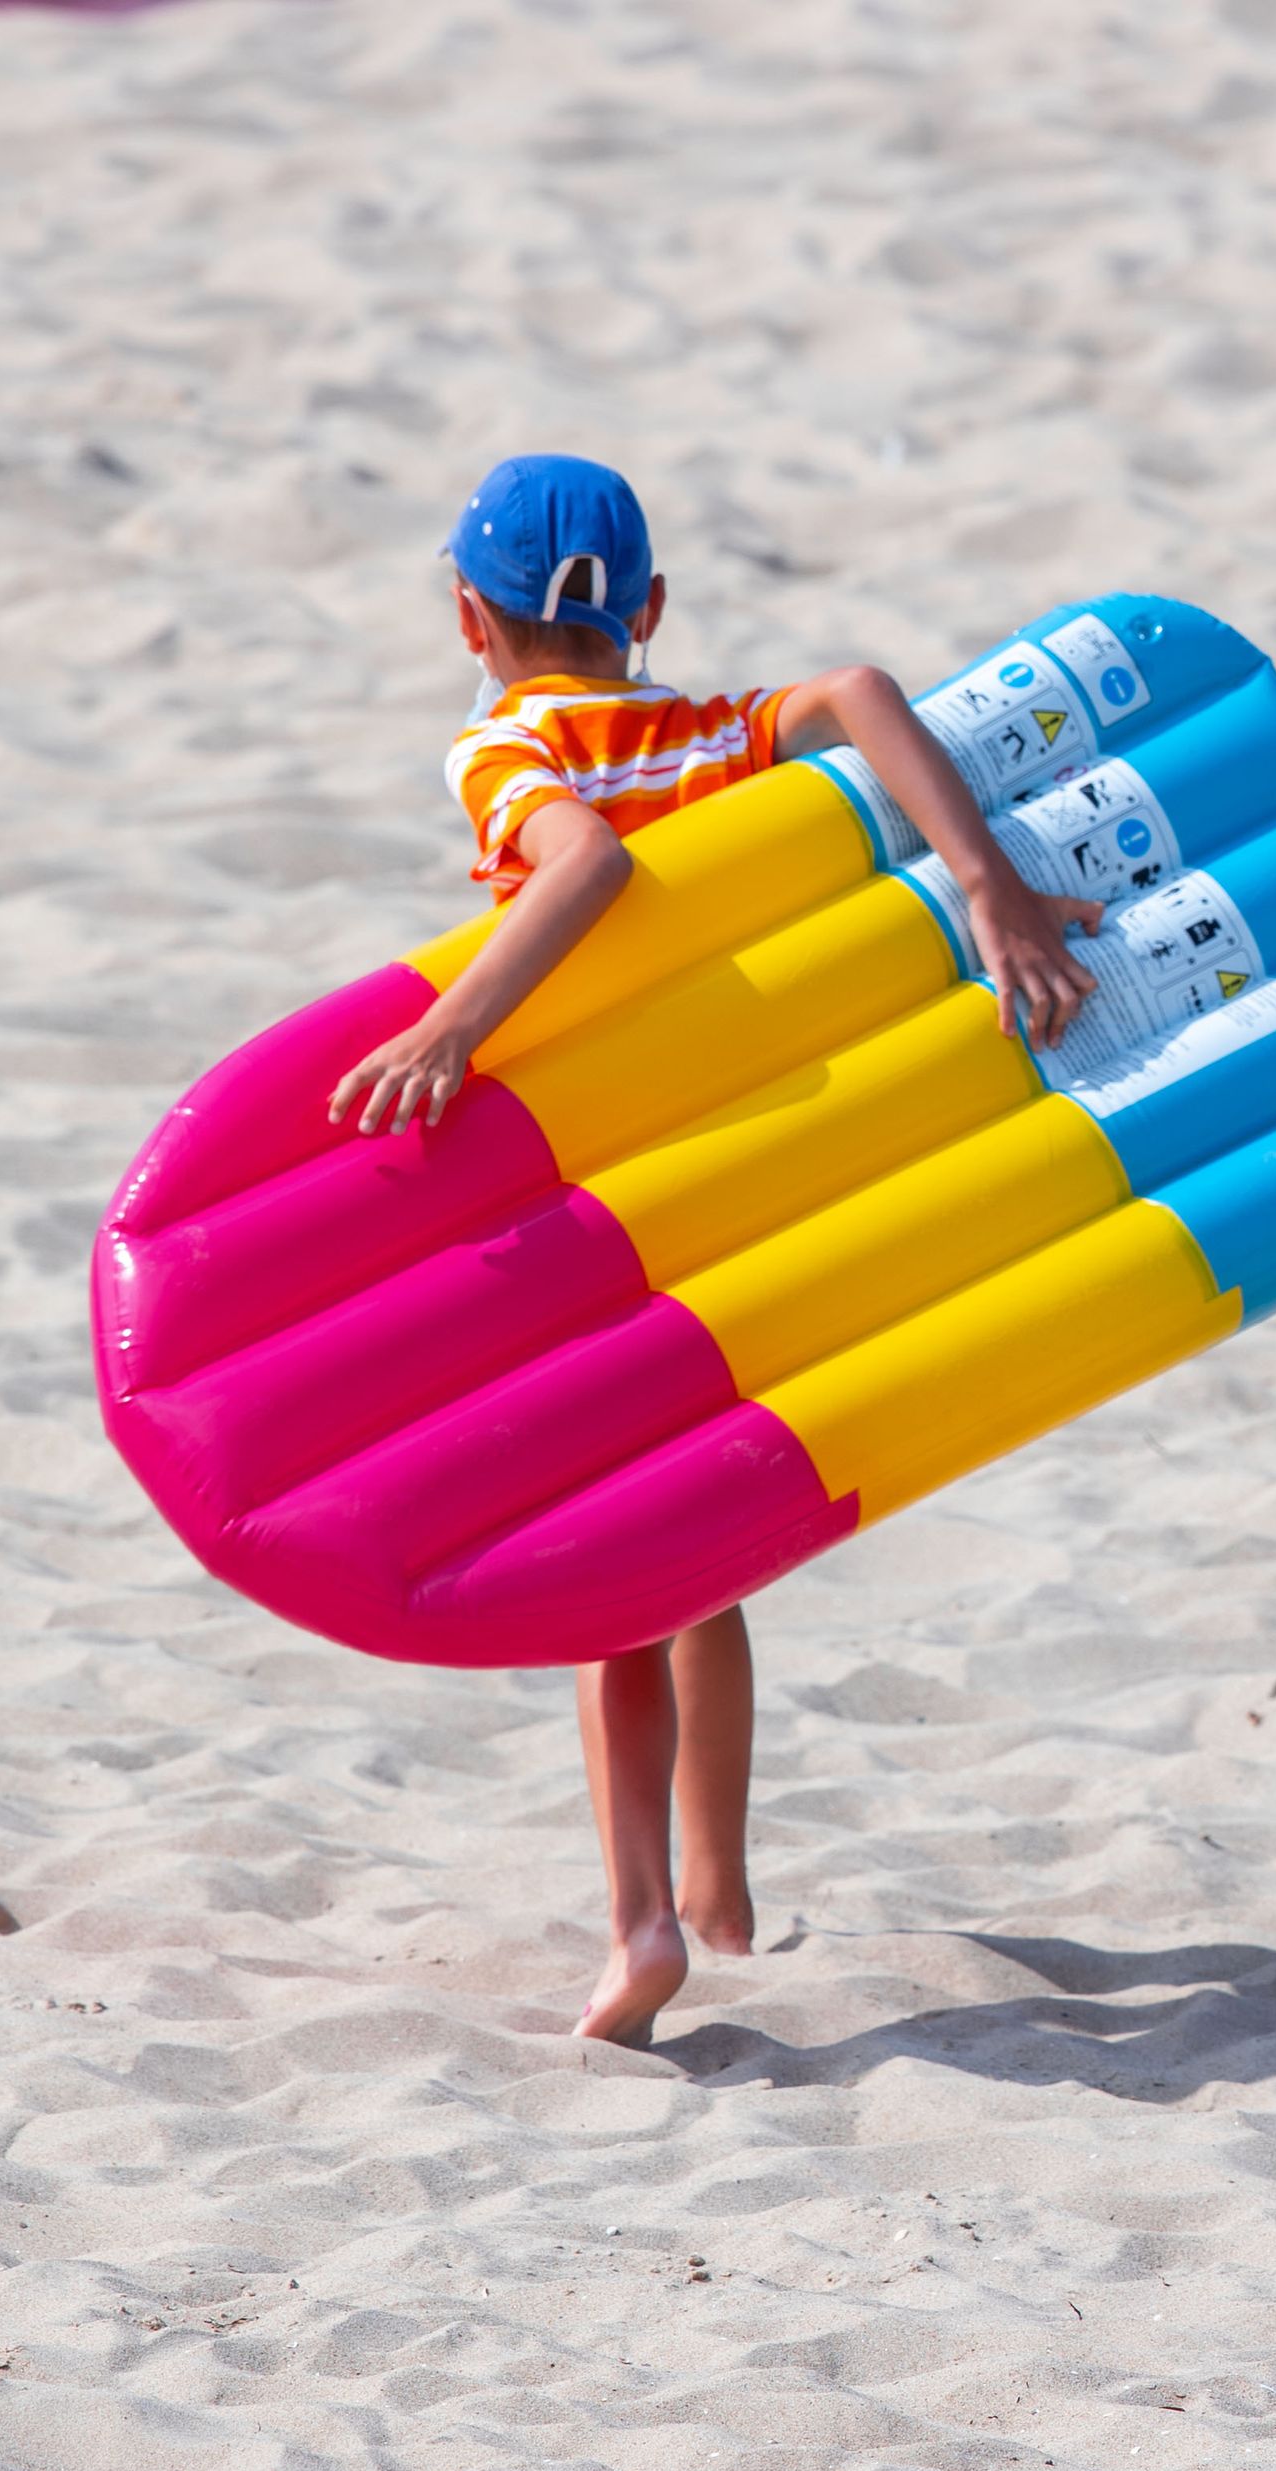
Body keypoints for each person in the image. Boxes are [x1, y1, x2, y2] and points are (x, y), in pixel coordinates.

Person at [329, 453, 1102, 2048]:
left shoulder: (504, 743)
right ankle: (727, 1889)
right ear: (653, 610)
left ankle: (642, 1930)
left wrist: (456, 1027)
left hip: (602, 1190)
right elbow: (870, 692)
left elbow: (585, 866)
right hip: (759, 1183)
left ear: (466, 618)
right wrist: (989, 881)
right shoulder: (706, 725)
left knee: (611, 1561)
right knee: (707, 1546)